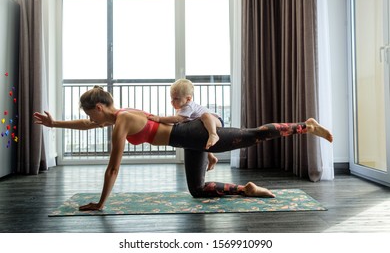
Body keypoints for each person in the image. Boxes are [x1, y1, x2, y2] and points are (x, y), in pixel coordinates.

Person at [33, 86, 333, 211]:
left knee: (253, 135)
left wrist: (101, 203)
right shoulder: (118, 117)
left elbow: (113, 166)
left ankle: (305, 126)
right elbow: (88, 126)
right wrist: (55, 124)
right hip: (187, 139)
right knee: (198, 190)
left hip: (194, 132)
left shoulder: (123, 120)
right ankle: (247, 189)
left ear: (99, 107)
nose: (90, 119)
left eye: (90, 113)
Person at [148, 78, 222, 171]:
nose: (172, 101)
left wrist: (159, 119)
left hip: (216, 121)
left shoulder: (188, 106)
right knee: (201, 141)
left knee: (205, 115)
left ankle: (213, 134)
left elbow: (178, 119)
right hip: (203, 126)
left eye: (176, 98)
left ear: (188, 99)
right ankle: (211, 158)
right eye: (171, 98)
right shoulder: (182, 108)